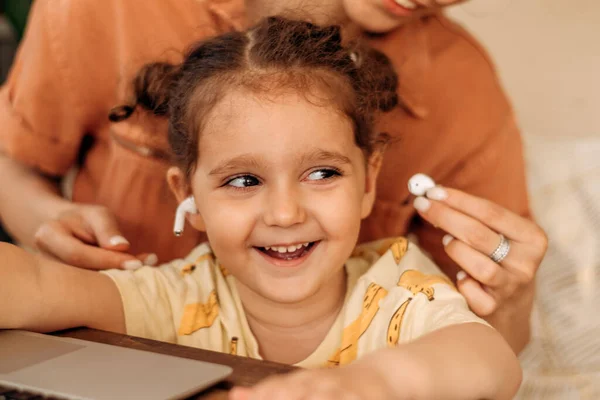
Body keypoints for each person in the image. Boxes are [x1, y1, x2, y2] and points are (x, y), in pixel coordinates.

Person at [0, 18, 521, 399]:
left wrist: (369, 384)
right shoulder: (177, 295)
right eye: (244, 180)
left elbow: (493, 360)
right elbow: (39, 286)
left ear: (370, 181)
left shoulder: (399, 289)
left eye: (323, 173)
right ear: (188, 196)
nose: (286, 212)